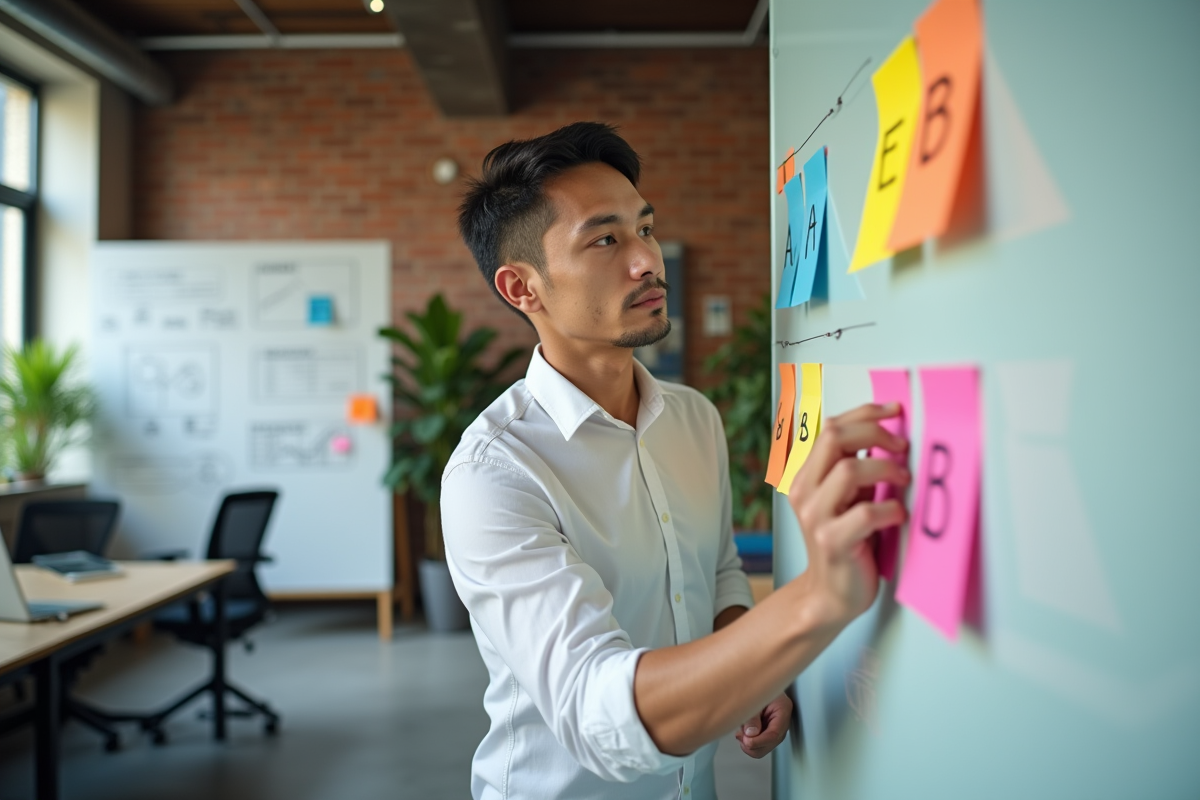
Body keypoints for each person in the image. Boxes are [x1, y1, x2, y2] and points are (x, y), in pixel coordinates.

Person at [443, 121, 909, 800]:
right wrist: (816, 598)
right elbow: (595, 711)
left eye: (645, 228)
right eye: (605, 240)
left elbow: (717, 574)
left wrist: (753, 668)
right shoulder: (495, 473)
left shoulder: (693, 418)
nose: (646, 261)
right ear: (523, 288)